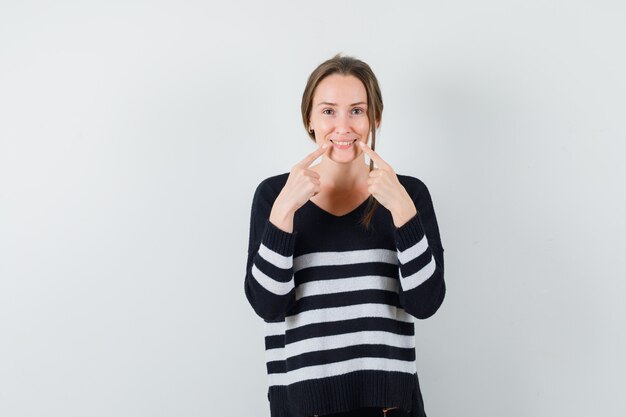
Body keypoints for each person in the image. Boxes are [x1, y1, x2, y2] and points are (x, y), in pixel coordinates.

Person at [244, 53, 446, 417]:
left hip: (390, 404)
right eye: (328, 111)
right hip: (303, 406)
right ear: (309, 119)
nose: (343, 126)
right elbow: (267, 307)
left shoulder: (408, 195)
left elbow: (425, 303)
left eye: (356, 110)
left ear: (375, 118)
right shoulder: (274, 196)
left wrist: (402, 211)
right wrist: (283, 213)